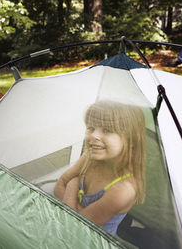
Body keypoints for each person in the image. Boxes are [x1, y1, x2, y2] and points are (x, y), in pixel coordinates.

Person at [54, 100, 146, 235]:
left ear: (131, 139)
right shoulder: (89, 158)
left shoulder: (123, 190)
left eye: (107, 130)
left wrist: (72, 184)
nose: (94, 135)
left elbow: (77, 227)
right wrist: (73, 204)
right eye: (91, 128)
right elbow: (59, 185)